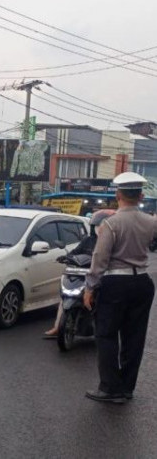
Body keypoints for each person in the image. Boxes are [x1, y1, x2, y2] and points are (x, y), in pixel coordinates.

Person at [84, 172, 157, 404]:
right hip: (143, 283)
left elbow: (100, 258)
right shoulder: (151, 222)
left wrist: (90, 287)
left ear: (118, 195)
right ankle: (126, 388)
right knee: (134, 337)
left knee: (106, 334)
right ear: (141, 195)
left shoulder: (111, 223)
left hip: (115, 284)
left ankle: (109, 388)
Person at [43, 209, 115, 338]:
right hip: (82, 275)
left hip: (101, 277)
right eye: (98, 226)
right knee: (65, 298)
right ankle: (57, 326)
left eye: (102, 226)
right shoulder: (88, 240)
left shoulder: (112, 242)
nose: (100, 229)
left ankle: (104, 329)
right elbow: (74, 252)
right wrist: (66, 257)